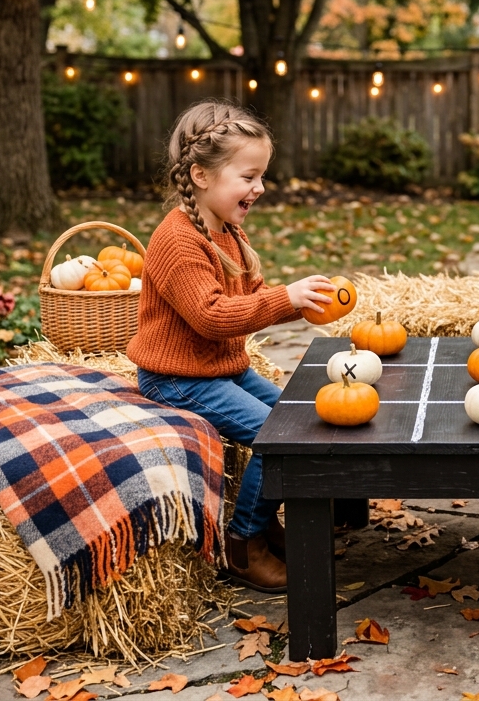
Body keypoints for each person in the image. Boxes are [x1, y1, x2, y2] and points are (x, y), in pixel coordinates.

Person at [128, 101, 336, 590]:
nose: (259, 187)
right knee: (278, 437)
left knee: (299, 418)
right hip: (178, 378)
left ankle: (264, 521)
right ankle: (243, 544)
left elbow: (247, 299)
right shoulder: (177, 240)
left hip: (220, 369)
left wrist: (300, 302)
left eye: (262, 176)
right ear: (200, 175)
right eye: (248, 176)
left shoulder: (228, 232)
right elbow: (211, 316)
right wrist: (285, 299)